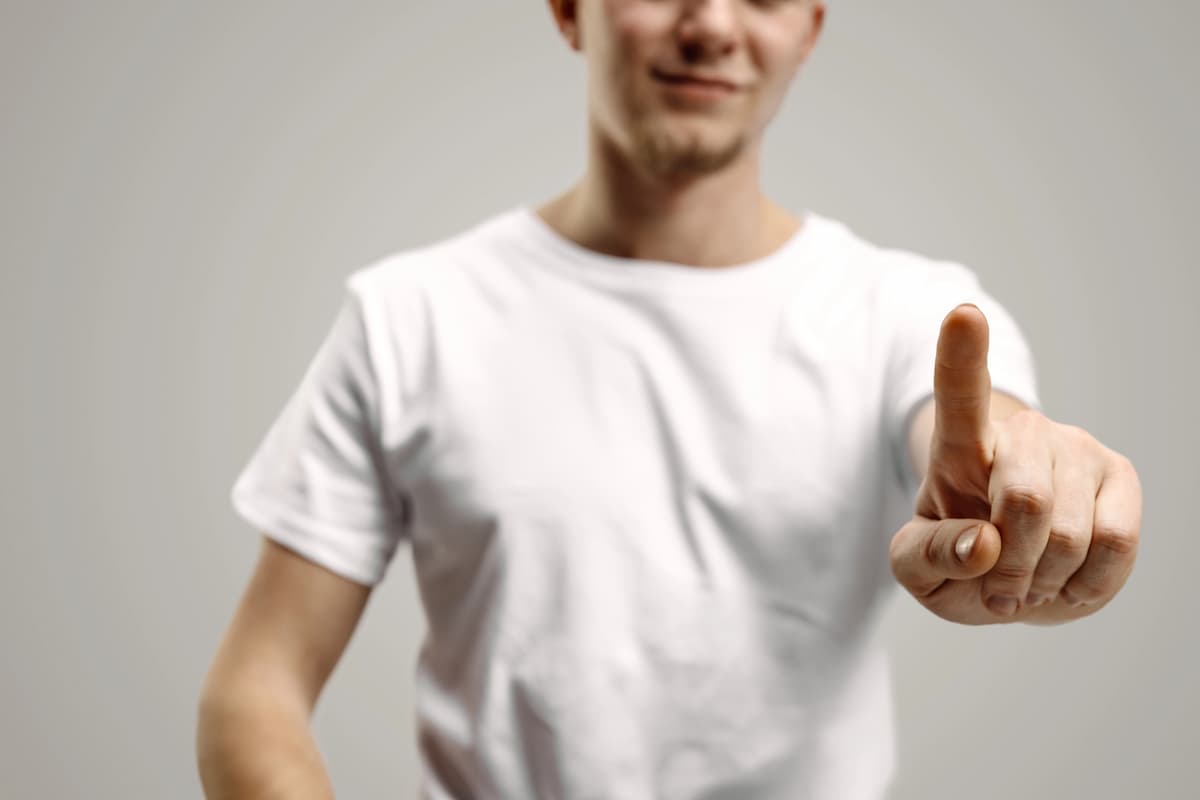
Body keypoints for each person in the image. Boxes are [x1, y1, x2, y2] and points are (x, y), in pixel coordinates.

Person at [196, 1, 1143, 798]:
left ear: (809, 27)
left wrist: (1035, 494)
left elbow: (979, 438)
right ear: (570, 10)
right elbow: (257, 687)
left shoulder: (913, 315)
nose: (712, 26)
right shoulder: (410, 317)